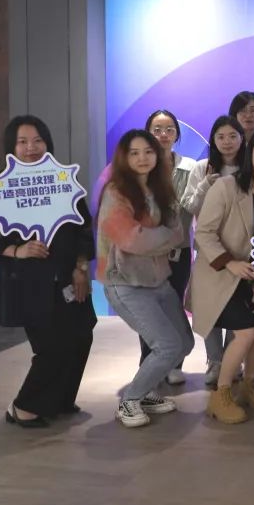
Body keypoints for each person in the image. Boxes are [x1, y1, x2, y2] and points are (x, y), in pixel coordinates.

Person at [0, 116, 96, 428]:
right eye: (22, 142)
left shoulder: (63, 181)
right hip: (28, 284)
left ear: (48, 143)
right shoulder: (1, 186)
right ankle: (23, 407)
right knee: (51, 348)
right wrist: (14, 250)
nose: (30, 148)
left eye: (37, 140)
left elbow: (84, 229)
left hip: (68, 279)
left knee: (81, 336)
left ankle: (60, 399)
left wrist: (80, 266)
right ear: (12, 147)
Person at [190, 129, 254, 424]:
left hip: (251, 278)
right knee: (246, 333)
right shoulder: (226, 187)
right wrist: (230, 263)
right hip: (219, 275)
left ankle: (248, 386)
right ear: (250, 152)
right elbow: (204, 233)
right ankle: (220, 395)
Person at [97, 130, 191, 428]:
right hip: (125, 283)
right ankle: (130, 401)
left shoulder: (161, 188)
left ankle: (146, 393)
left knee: (184, 343)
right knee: (167, 346)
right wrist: (165, 239)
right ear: (124, 157)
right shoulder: (116, 193)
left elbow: (178, 233)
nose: (142, 158)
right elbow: (131, 239)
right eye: (134, 153)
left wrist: (158, 238)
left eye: (148, 152)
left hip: (158, 280)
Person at [181, 115, 246, 385]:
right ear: (213, 140)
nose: (227, 142)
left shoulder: (249, 168)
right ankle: (215, 361)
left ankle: (232, 358)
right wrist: (206, 184)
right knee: (210, 307)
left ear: (242, 138)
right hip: (209, 250)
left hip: (242, 250)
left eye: (233, 136)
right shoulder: (201, 168)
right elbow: (189, 206)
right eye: (221, 137)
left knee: (236, 305)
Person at [143, 109, 196, 386]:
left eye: (169, 130)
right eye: (157, 130)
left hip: (179, 250)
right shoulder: (141, 165)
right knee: (149, 310)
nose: (163, 135)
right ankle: (148, 363)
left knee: (174, 308)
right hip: (146, 253)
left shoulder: (190, 167)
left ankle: (175, 364)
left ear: (177, 134)